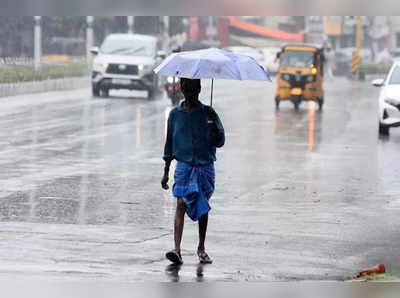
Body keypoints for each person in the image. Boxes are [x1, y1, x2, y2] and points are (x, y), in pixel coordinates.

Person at [161, 78, 225, 265]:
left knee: (202, 207)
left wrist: (213, 129)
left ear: (199, 89)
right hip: (184, 167)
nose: (190, 93)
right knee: (180, 203)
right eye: (187, 89)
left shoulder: (209, 113)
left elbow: (220, 141)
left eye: (193, 89)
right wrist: (166, 171)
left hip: (204, 167)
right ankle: (177, 249)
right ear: (182, 89)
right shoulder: (174, 115)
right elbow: (169, 144)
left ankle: (201, 248)